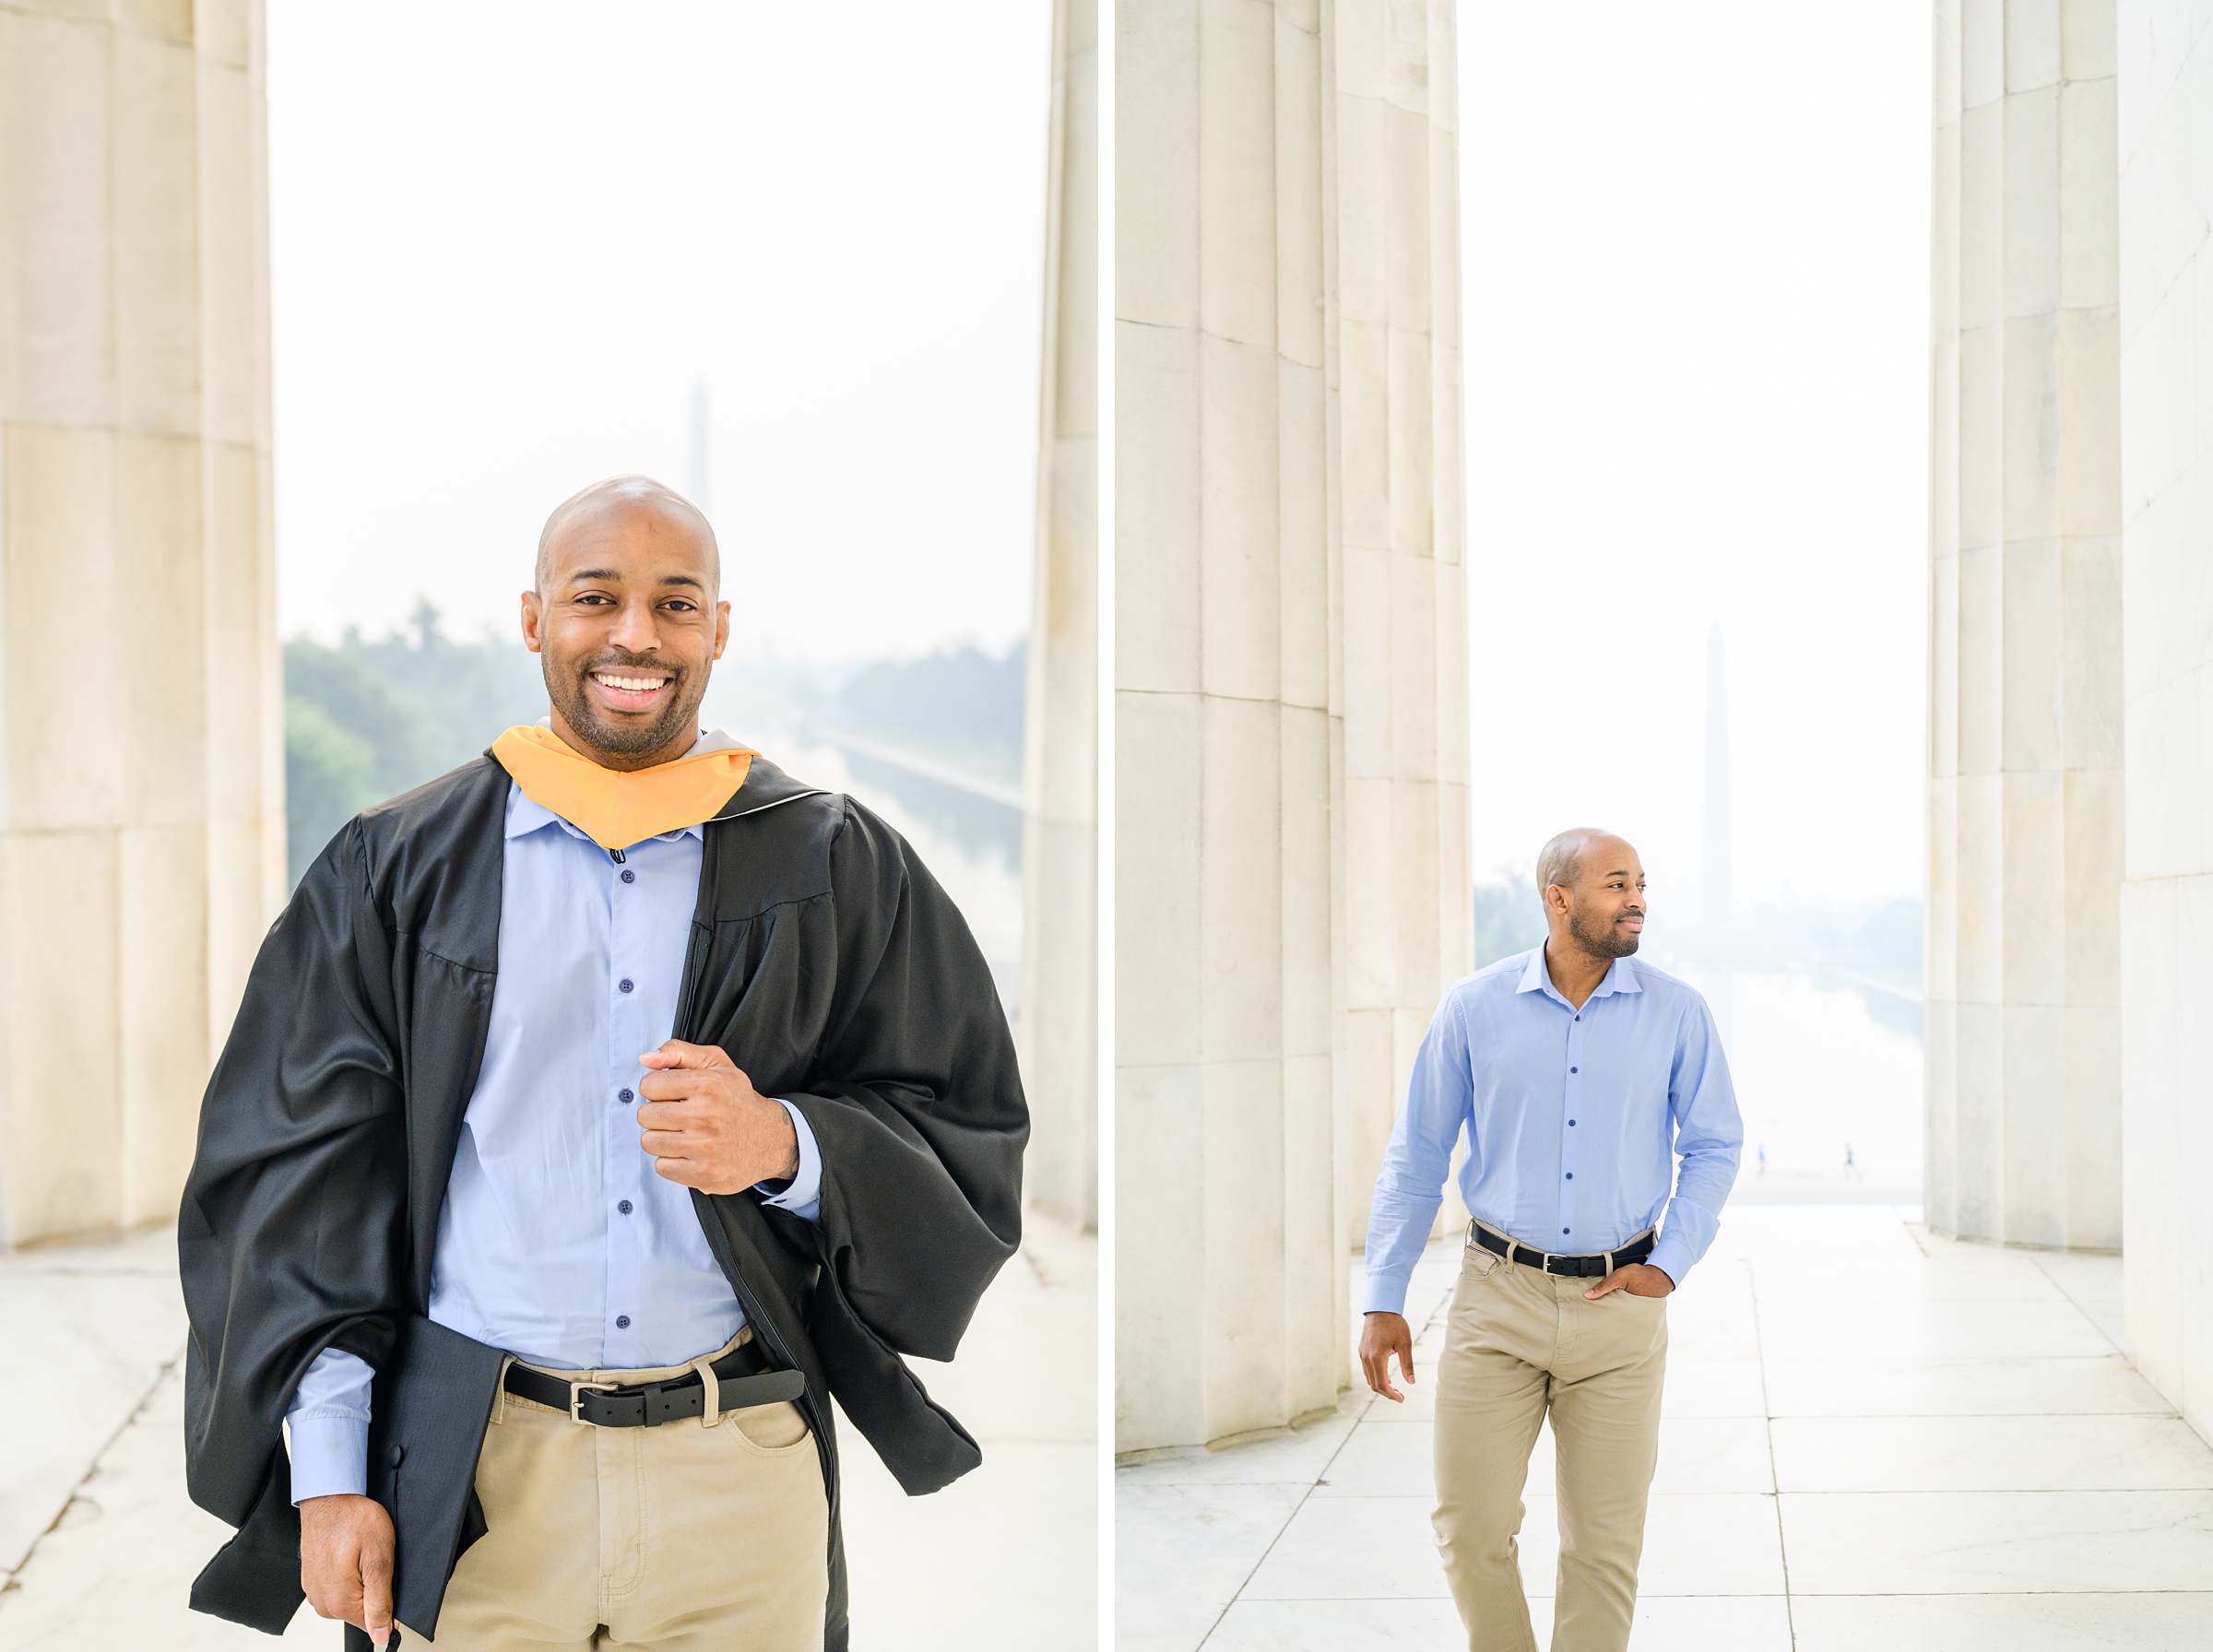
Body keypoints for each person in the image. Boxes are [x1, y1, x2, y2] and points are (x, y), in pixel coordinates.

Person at [179, 477, 1027, 1652]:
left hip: (735, 1478)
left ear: (719, 629)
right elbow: (302, 1184)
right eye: (597, 598)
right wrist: (328, 1475)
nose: (636, 635)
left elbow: (965, 1115)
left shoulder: (835, 862)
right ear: (535, 618)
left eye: (676, 603)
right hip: (475, 1479)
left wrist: (787, 1144)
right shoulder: (400, 867)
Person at [1358, 829, 1740, 1652]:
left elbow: (1714, 1144)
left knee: (1603, 1548)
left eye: (1640, 883)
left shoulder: (1678, 1012)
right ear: (1558, 899)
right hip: (1497, 1300)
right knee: (1469, 1529)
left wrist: (1668, 1265)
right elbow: (1417, 1157)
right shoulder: (1474, 1007)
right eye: (1615, 884)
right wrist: (1383, 1298)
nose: (1637, 899)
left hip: (1620, 1308)